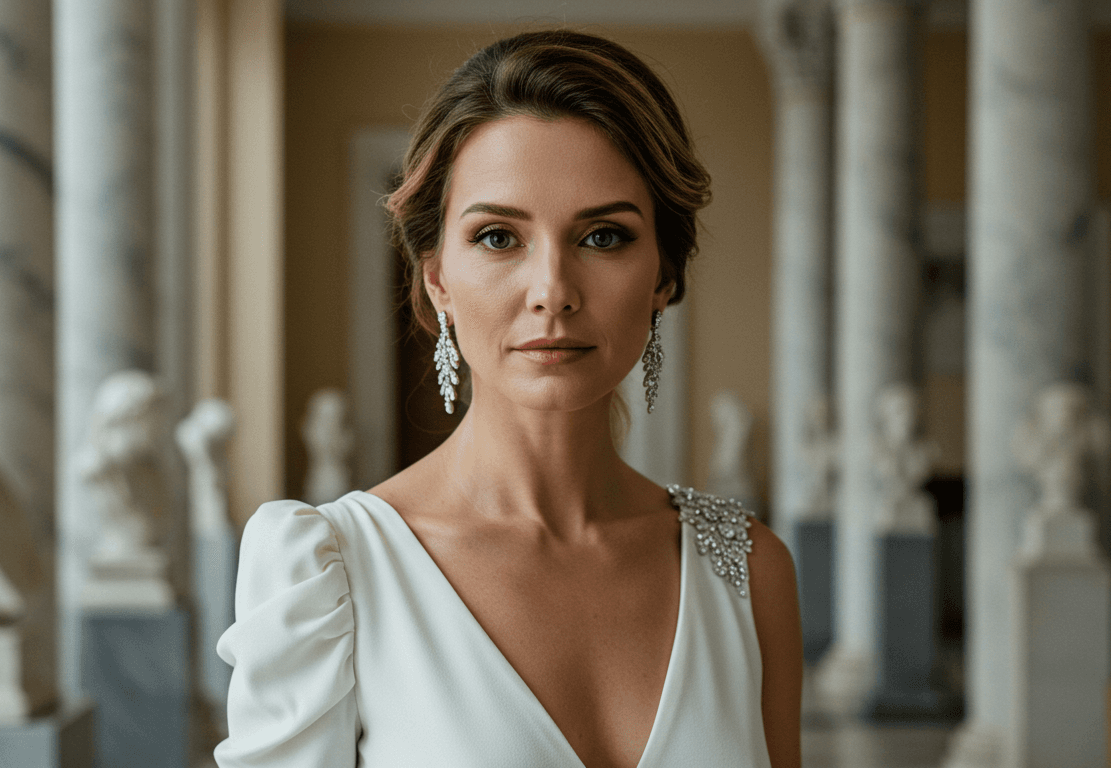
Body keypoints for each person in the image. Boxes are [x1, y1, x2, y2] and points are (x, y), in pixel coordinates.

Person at [215, 30, 803, 768]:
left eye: (603, 236)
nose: (552, 290)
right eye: (498, 237)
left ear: (663, 277)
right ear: (437, 280)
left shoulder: (748, 568)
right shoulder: (328, 572)